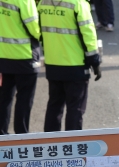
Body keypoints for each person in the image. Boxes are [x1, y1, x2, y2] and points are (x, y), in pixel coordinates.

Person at [38, 0, 101, 132]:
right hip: (75, 65)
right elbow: (88, 35)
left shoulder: (43, 3)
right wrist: (95, 62)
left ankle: (51, 146)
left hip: (52, 63)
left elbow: (40, 32)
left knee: (54, 106)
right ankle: (72, 148)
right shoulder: (78, 4)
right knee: (75, 109)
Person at [0, 0, 41, 135]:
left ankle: (1, 133)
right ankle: (22, 134)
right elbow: (35, 28)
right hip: (23, 54)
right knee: (24, 97)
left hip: (3, 53)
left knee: (6, 95)